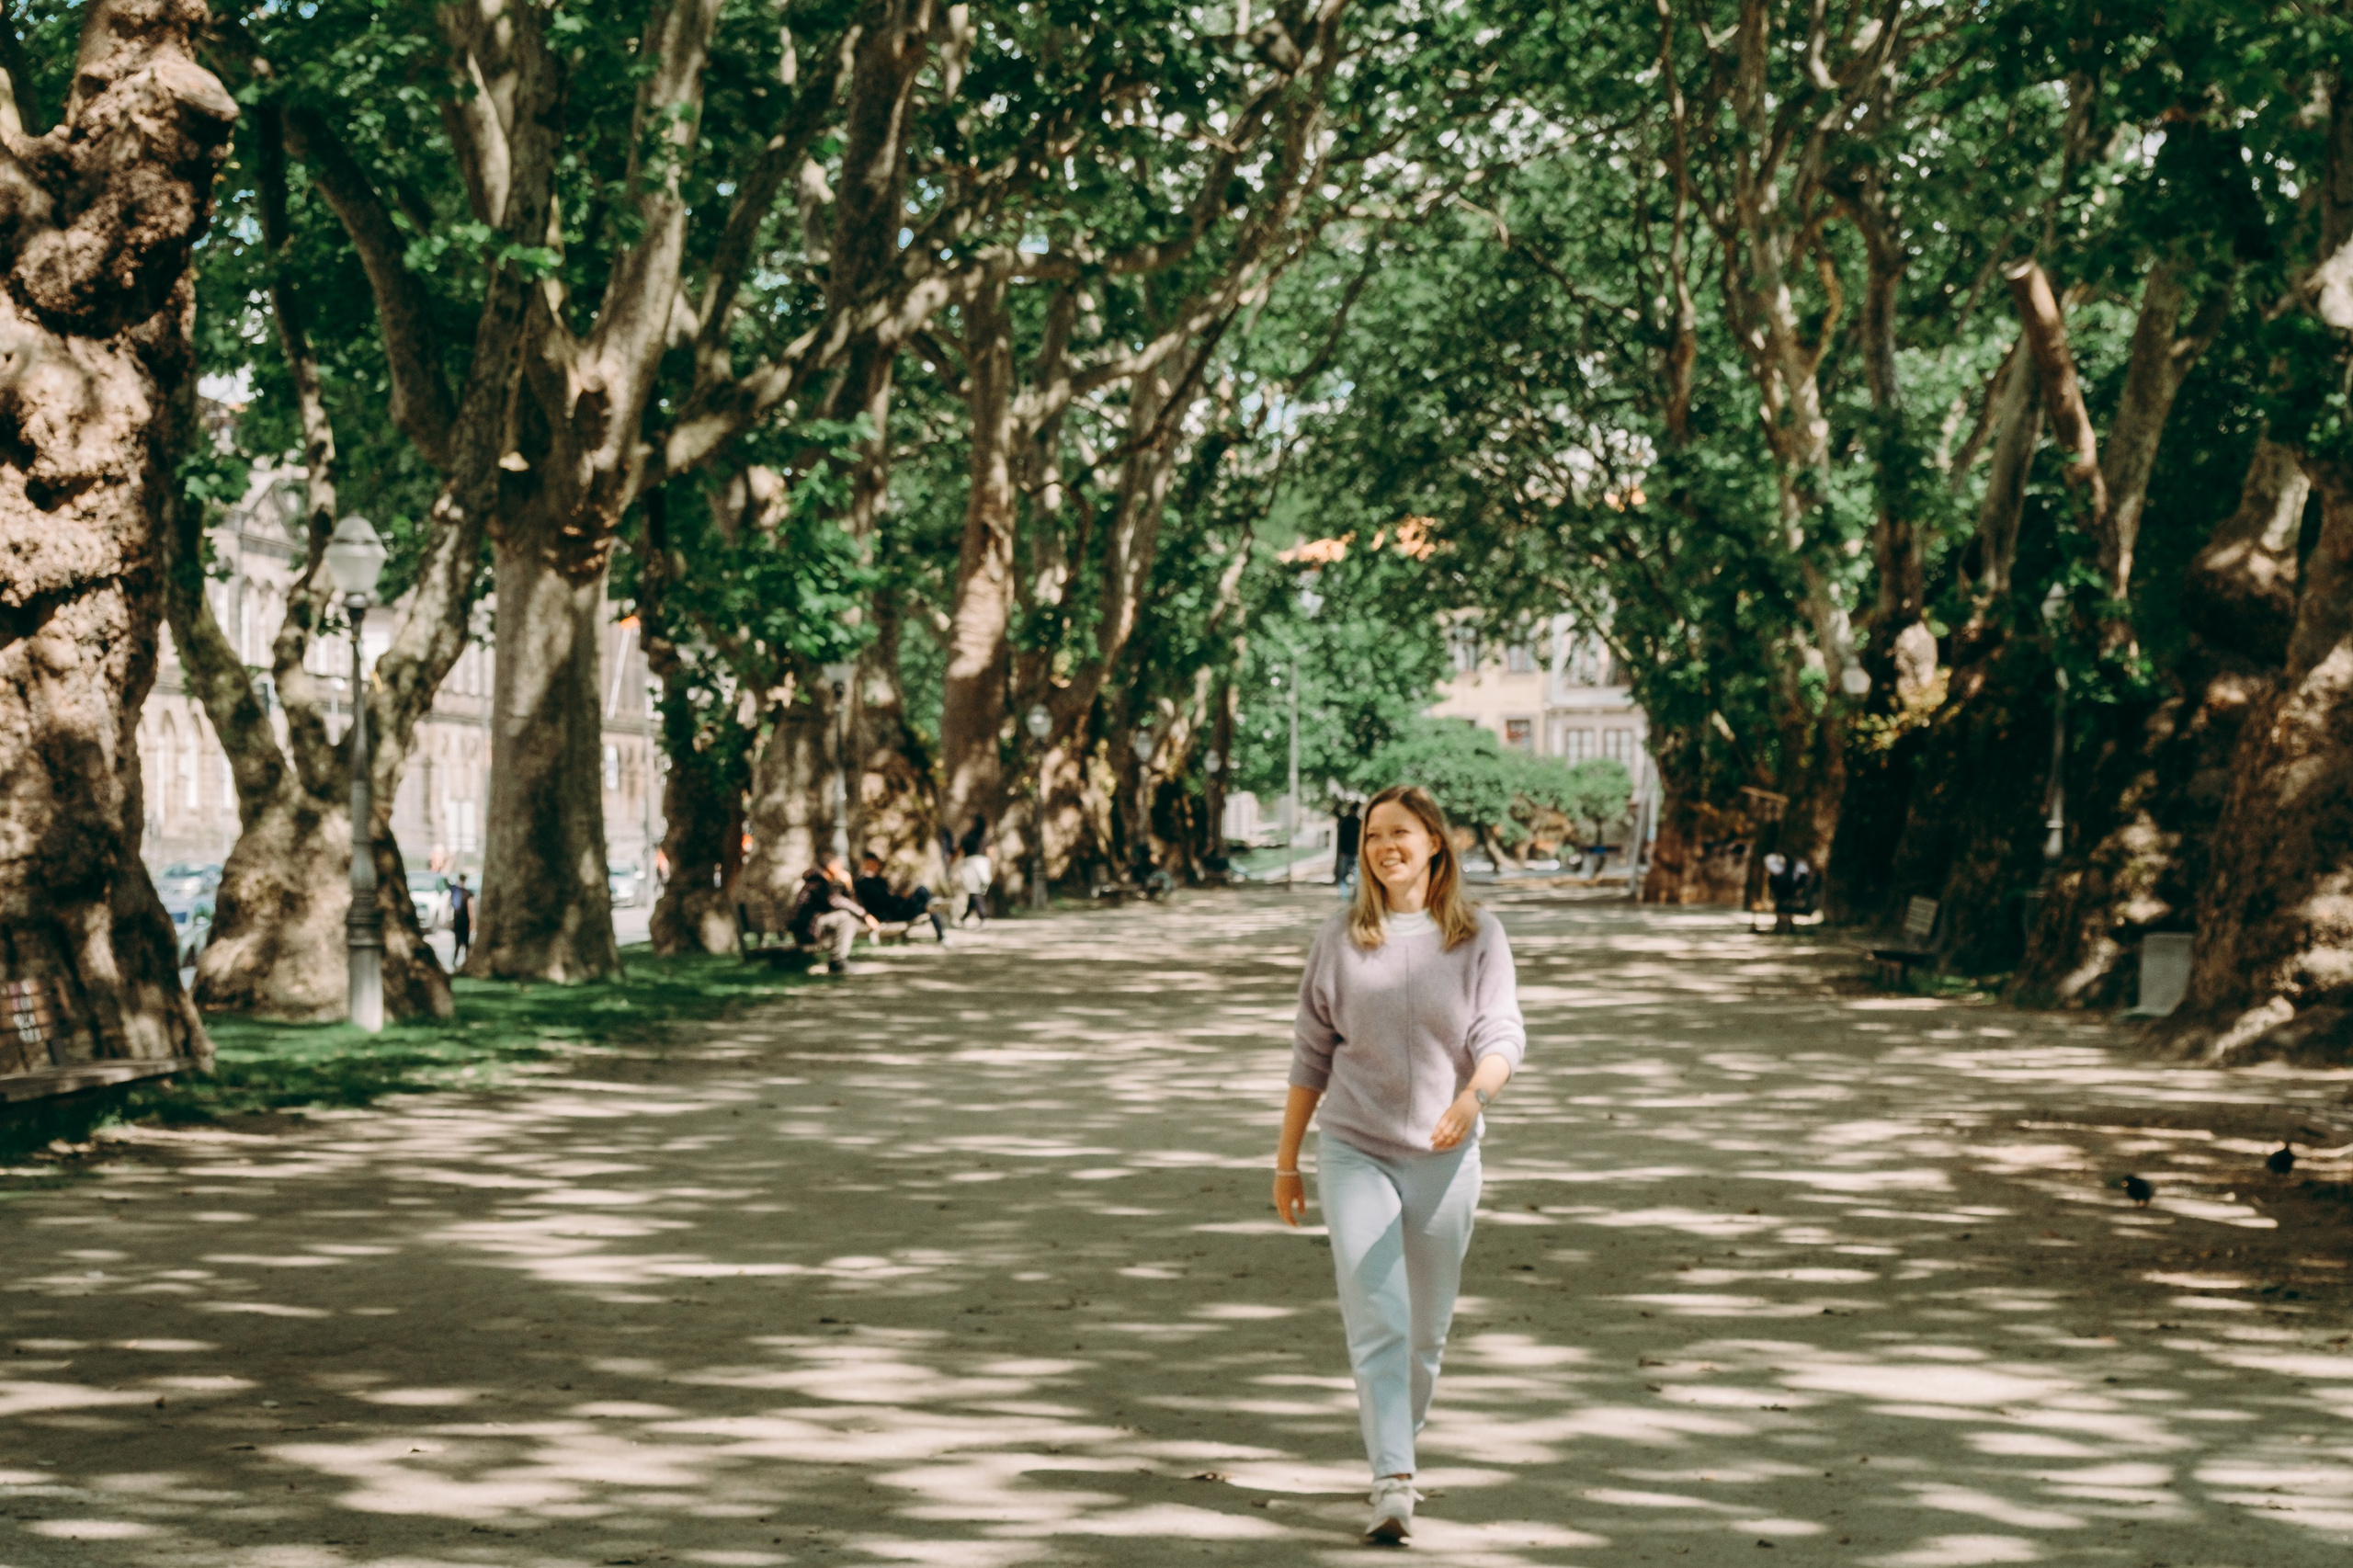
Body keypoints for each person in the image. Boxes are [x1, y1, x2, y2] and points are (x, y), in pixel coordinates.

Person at [1272, 784, 1525, 1544]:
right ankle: (1394, 1479)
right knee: (1378, 1315)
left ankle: (1396, 1443)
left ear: (1435, 844)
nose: (1386, 846)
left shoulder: (1478, 936)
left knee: (1426, 1329)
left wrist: (1475, 1096)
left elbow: (1503, 1033)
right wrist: (1287, 1162)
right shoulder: (1340, 939)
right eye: (1373, 835)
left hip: (1446, 1157)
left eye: (1401, 833)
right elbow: (1310, 1056)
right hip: (1355, 1150)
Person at [787, 858, 876, 974]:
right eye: (839, 865)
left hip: (814, 927)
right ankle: (837, 961)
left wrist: (849, 887)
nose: (842, 869)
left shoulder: (824, 883)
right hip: (806, 930)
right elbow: (837, 901)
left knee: (847, 917)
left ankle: (838, 959)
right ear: (830, 866)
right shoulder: (817, 882)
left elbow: (846, 901)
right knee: (845, 917)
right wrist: (865, 915)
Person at [854, 852, 946, 941]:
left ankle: (940, 932)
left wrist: (901, 897)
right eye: (871, 863)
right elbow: (881, 901)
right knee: (923, 894)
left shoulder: (878, 880)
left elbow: (887, 897)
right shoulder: (862, 882)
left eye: (875, 864)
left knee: (925, 897)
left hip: (896, 909)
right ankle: (941, 935)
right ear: (866, 864)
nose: (875, 866)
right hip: (890, 914)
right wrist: (901, 899)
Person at [952, 839, 993, 927]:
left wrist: (952, 860)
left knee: (974, 891)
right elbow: (990, 852)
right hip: (983, 863)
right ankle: (966, 918)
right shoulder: (984, 836)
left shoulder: (968, 836)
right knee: (975, 892)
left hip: (971, 863)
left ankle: (982, 916)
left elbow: (959, 851)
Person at [1333, 801, 1362, 899]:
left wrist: (1341, 851)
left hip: (1345, 853)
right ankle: (1355, 896)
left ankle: (1344, 895)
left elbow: (1341, 838)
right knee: (1356, 877)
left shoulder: (1344, 822)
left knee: (1343, 877)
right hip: (1356, 853)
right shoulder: (1360, 823)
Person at [449, 874, 473, 967]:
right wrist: (472, 922)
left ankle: (456, 962)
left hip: (458, 922)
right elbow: (471, 910)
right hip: (464, 922)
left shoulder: (455, 892)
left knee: (459, 944)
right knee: (465, 944)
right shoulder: (467, 893)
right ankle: (465, 963)